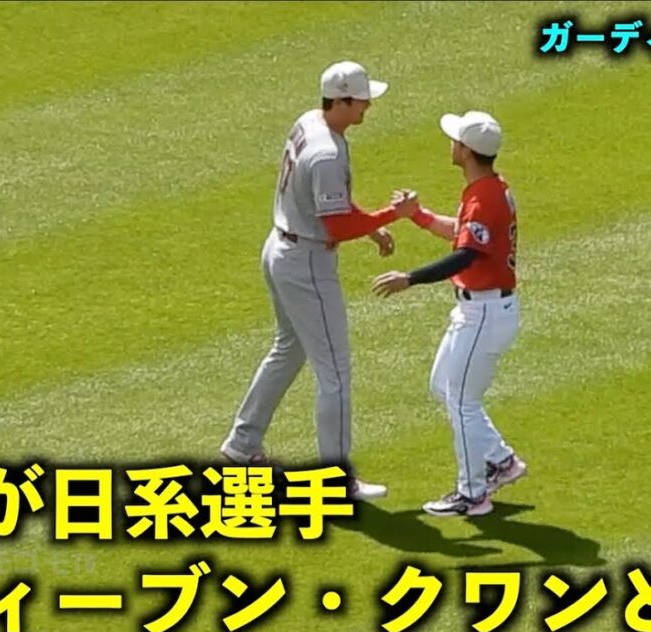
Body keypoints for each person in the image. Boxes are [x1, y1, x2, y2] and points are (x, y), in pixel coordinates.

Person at [220, 61, 419, 500]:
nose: (368, 106)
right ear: (343, 100)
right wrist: (390, 215)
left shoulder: (309, 121)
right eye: (363, 100)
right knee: (336, 374)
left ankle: (241, 445)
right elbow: (334, 227)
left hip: (280, 247)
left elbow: (332, 204)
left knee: (288, 349)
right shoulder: (327, 152)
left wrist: (368, 225)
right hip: (307, 263)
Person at [371, 110, 527, 516]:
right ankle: (501, 460)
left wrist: (411, 278)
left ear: (467, 151)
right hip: (482, 310)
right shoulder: (488, 189)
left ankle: (472, 494)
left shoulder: (485, 196)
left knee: (461, 401)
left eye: (456, 139)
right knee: (444, 386)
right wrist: (417, 216)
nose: (451, 144)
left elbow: (465, 254)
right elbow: (461, 231)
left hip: (485, 312)